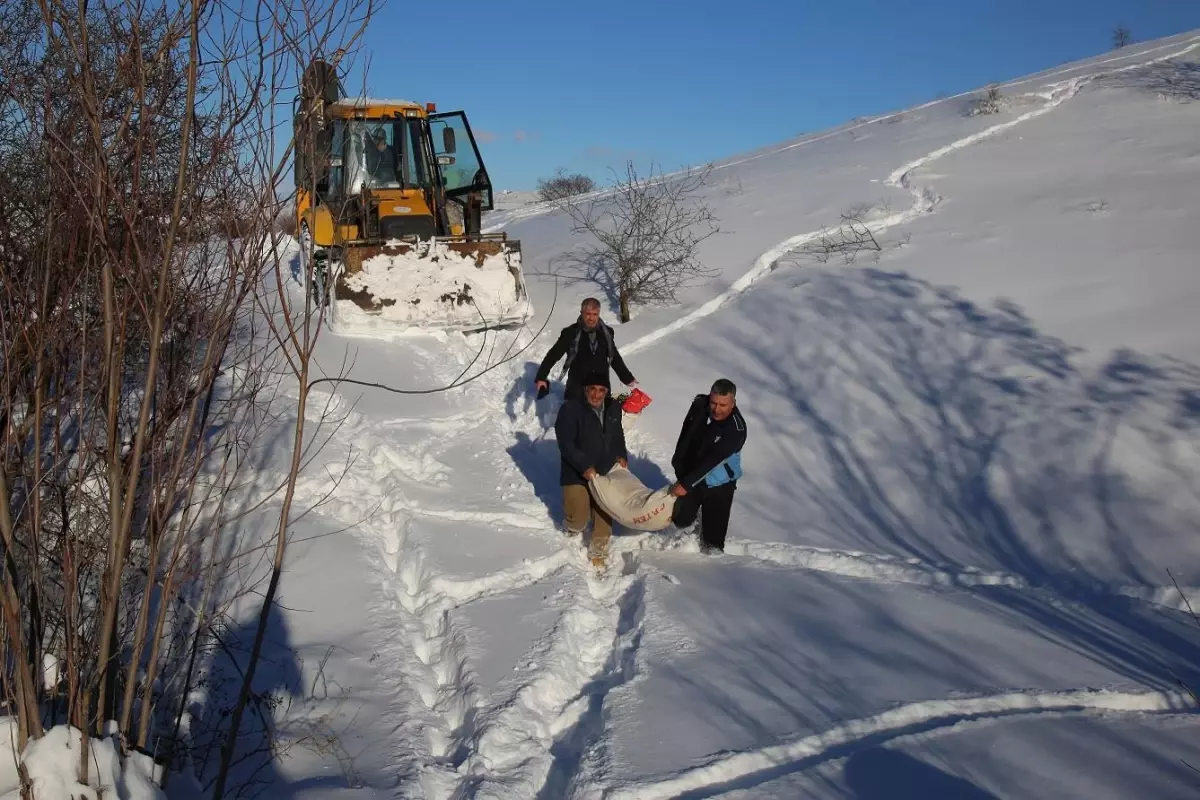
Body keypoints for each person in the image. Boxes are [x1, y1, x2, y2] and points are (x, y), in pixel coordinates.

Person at [554, 371, 629, 567]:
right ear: (585, 389)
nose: (596, 395)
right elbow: (565, 443)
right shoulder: (571, 409)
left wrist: (621, 454)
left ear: (606, 391)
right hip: (576, 472)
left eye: (601, 390)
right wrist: (583, 466)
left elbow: (617, 433)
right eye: (592, 389)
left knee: (605, 512)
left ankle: (598, 553)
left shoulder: (613, 408)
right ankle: (572, 527)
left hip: (603, 471)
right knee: (579, 519)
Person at [669, 378, 747, 553]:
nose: (716, 409)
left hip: (719, 485)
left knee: (712, 544)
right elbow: (686, 433)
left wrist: (686, 484)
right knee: (680, 520)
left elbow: (713, 461)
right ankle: (696, 517)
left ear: (733, 403)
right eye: (713, 403)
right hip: (692, 473)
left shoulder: (736, 429)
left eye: (723, 405)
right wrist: (678, 463)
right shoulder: (700, 405)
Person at [535, 297, 637, 403]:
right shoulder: (570, 333)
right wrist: (541, 377)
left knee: (602, 417)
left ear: (599, 314)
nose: (591, 318)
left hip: (601, 388)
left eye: (595, 314)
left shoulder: (606, 333)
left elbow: (614, 357)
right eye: (588, 314)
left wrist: (627, 378)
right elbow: (553, 355)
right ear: (581, 313)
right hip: (577, 389)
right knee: (575, 417)